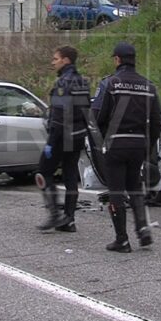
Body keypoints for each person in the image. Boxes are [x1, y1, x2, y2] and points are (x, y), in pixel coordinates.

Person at [96, 42, 161, 253]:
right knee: (135, 188)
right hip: (139, 145)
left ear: (117, 59)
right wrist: (147, 145)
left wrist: (104, 136)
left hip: (116, 143)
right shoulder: (149, 86)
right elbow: (158, 121)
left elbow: (98, 115)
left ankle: (122, 240)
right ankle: (143, 229)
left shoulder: (110, 84)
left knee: (116, 190)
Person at [36, 45, 90, 232]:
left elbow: (59, 116)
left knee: (43, 173)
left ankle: (54, 215)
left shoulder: (63, 84)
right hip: (77, 136)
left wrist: (51, 143)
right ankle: (69, 219)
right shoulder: (83, 82)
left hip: (62, 136)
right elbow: (86, 112)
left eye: (56, 58)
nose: (53, 62)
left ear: (66, 60)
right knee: (70, 176)